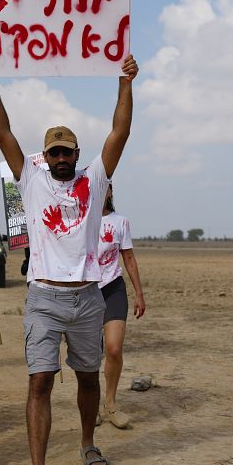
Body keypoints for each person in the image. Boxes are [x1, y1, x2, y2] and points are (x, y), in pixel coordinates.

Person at [0, 50, 137, 465]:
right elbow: (2, 131)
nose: (61, 157)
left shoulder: (96, 179)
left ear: (77, 154)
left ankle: (88, 442)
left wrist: (125, 83)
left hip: (89, 297)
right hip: (44, 298)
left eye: (68, 150)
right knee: (40, 381)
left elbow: (120, 132)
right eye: (54, 151)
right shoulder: (30, 178)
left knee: (88, 377)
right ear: (45, 156)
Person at [96, 183, 146, 429]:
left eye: (103, 188)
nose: (100, 192)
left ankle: (111, 403)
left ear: (110, 192)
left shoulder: (120, 222)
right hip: (85, 292)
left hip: (113, 289)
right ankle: (91, 405)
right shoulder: (80, 220)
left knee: (113, 349)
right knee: (89, 355)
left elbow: (128, 257)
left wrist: (139, 293)